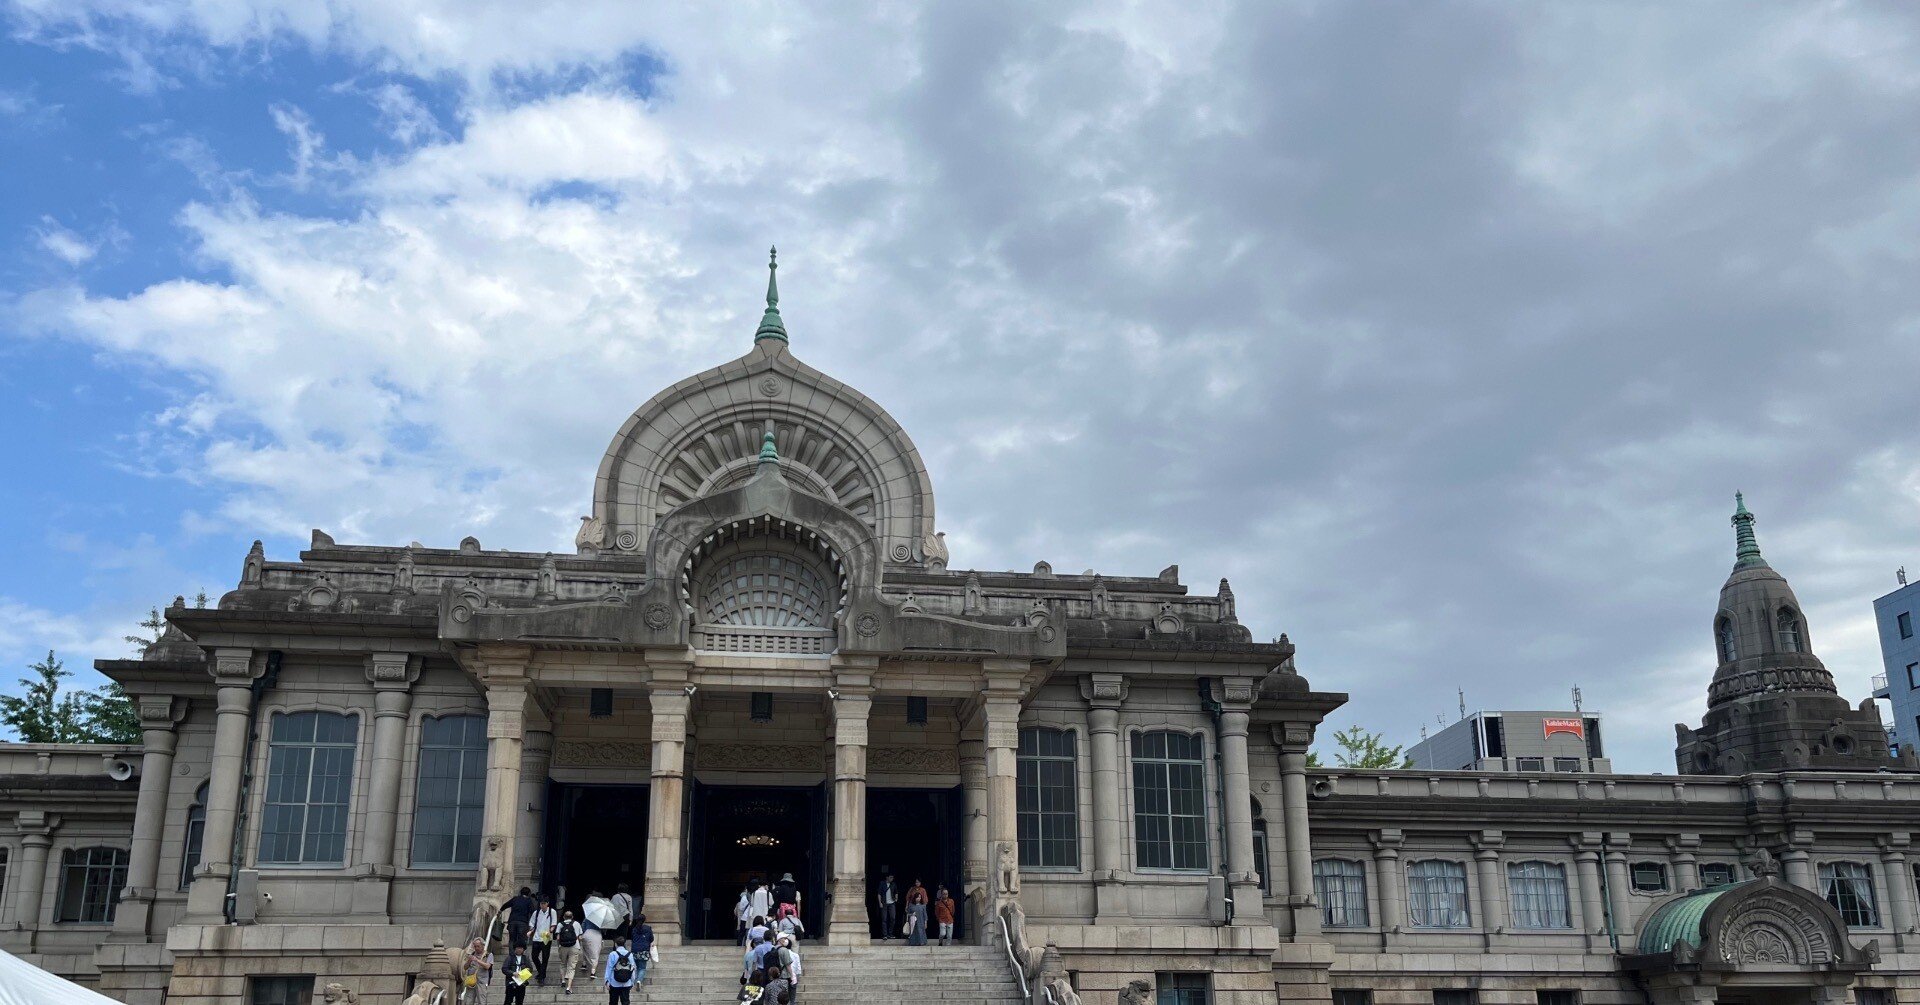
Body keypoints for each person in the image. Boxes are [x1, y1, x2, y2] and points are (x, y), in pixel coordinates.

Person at [579, 892, 606, 993]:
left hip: (586, 933)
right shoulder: (600, 917)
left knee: (585, 950)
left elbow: (583, 926)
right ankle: (593, 972)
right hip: (596, 934)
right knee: (595, 953)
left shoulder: (587, 916)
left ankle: (584, 963)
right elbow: (603, 929)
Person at [555, 909, 586, 995]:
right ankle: (569, 987)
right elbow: (580, 938)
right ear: (572, 917)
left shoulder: (560, 924)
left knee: (563, 963)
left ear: (564, 917)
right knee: (571, 967)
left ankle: (563, 980)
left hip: (563, 947)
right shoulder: (576, 924)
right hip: (574, 946)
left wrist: (559, 946)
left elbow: (557, 938)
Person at [529, 896, 559, 985]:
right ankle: (541, 972)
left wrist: (550, 931)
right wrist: (530, 931)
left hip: (546, 937)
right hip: (537, 937)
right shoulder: (536, 912)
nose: (542, 905)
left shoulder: (552, 912)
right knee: (534, 956)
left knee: (545, 957)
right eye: (541, 904)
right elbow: (532, 923)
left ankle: (541, 977)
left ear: (547, 903)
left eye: (544, 904)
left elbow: (554, 923)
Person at [602, 935, 640, 1005]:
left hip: (614, 983)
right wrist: (632, 981)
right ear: (624, 944)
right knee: (625, 1002)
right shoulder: (630, 954)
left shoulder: (612, 954)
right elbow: (633, 968)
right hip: (626, 983)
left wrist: (607, 981)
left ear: (616, 944)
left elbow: (609, 968)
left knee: (613, 1002)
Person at [458, 936, 492, 1004]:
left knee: (482, 1001)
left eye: (478, 946)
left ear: (482, 946)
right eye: (475, 946)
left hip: (481, 981)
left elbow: (487, 966)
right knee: (468, 1001)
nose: (476, 948)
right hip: (471, 981)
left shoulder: (488, 955)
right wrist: (469, 961)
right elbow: (465, 967)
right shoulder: (472, 954)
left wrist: (477, 960)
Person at [631, 913, 656, 984]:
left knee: (636, 967)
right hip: (644, 950)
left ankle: (634, 981)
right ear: (644, 920)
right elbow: (651, 939)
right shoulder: (648, 928)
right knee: (642, 968)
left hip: (635, 950)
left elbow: (632, 938)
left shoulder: (634, 929)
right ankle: (639, 981)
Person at [904, 877, 929, 945]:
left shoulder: (923, 890)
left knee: (920, 928)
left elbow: (925, 900)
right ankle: (913, 941)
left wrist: (922, 908)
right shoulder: (912, 889)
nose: (917, 883)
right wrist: (907, 906)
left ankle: (921, 941)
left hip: (920, 908)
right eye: (916, 882)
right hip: (912, 907)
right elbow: (908, 898)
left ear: (920, 883)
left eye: (918, 882)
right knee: (913, 927)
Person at [874, 871, 898, 940]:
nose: (892, 879)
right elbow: (879, 894)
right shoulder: (882, 883)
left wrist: (896, 898)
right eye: (890, 877)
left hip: (892, 903)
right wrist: (880, 903)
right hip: (884, 903)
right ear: (887, 877)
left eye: (892, 877)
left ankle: (890, 934)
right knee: (884, 919)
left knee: (893, 918)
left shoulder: (893, 884)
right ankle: (885, 935)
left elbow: (896, 892)